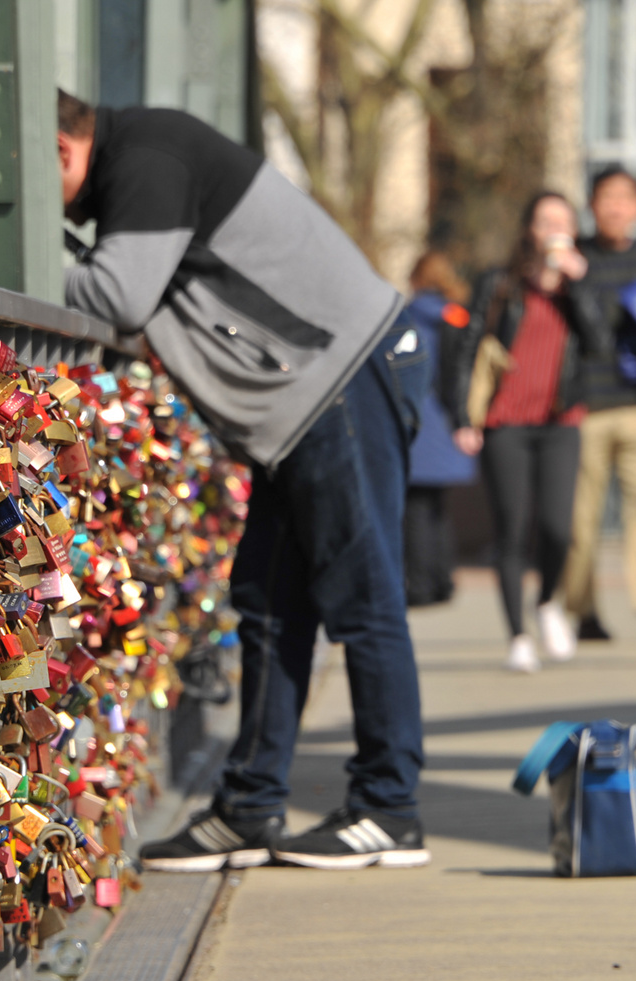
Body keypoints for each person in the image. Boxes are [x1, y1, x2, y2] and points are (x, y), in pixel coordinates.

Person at [55, 91, 433, 868]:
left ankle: (389, 807)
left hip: (336, 384)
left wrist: (34, 265)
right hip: (302, 403)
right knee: (266, 606)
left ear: (61, 149)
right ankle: (251, 807)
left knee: (363, 601)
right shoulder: (142, 150)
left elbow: (122, 294)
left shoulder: (145, 154)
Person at [442, 194, 607, 672]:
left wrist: (577, 286)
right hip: (505, 422)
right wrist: (461, 417)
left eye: (564, 220)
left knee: (558, 527)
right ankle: (517, 634)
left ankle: (548, 602)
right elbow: (467, 346)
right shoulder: (499, 284)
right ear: (529, 230)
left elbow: (598, 345)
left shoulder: (580, 284)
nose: (555, 228)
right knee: (512, 528)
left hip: (561, 421)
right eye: (545, 220)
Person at [563, 167, 636, 644]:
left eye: (624, 198)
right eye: (606, 197)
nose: (615, 207)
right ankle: (582, 610)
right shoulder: (573, 258)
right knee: (580, 515)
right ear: (591, 205)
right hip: (584, 406)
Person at [402, 252, 477, 607]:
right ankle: (443, 578)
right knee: (437, 509)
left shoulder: (408, 317)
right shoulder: (458, 317)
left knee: (414, 509)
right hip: (448, 421)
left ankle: (418, 583)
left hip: (419, 421)